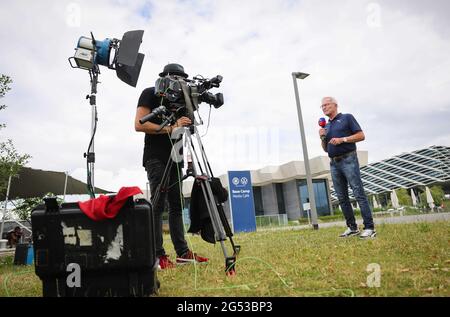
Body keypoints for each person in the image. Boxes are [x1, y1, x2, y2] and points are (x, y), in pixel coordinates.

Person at [135, 63, 208, 269]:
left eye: (184, 79)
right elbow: (139, 124)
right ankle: (158, 256)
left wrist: (190, 161)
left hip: (177, 157)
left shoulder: (183, 99)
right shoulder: (150, 93)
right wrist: (171, 127)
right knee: (157, 205)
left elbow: (186, 132)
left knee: (177, 206)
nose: (181, 82)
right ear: (167, 77)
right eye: (178, 78)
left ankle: (183, 253)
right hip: (156, 157)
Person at [319, 97, 376, 239]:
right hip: (334, 163)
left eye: (326, 105)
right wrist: (322, 137)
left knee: (358, 193)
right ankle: (352, 227)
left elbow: (361, 135)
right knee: (342, 197)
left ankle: (369, 228)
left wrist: (343, 139)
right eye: (322, 106)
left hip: (348, 159)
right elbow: (326, 149)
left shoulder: (347, 118)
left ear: (335, 105)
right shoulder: (326, 126)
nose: (324, 107)